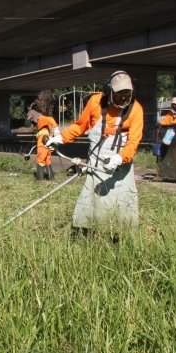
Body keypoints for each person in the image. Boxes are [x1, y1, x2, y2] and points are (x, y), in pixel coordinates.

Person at [46, 71, 143, 236]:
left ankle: (118, 236)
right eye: (119, 93)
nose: (124, 97)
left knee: (121, 205)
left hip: (120, 170)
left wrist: (119, 157)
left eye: (127, 93)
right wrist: (60, 138)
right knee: (91, 204)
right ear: (109, 90)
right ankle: (86, 235)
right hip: (96, 165)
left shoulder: (136, 110)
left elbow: (133, 143)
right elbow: (80, 126)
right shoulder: (95, 102)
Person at [26, 90, 59, 180]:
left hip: (42, 140)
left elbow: (28, 122)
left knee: (41, 159)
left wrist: (56, 132)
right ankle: (50, 178)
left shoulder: (41, 118)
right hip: (48, 139)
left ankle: (39, 179)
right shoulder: (44, 119)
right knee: (47, 159)